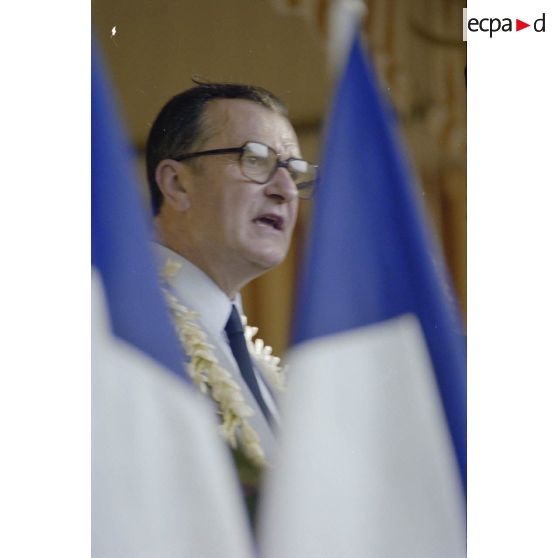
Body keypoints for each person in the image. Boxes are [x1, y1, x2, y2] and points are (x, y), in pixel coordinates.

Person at [145, 82, 317, 475]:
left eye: (295, 173)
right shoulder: (121, 328)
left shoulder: (258, 367)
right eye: (255, 160)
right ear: (176, 184)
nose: (285, 191)